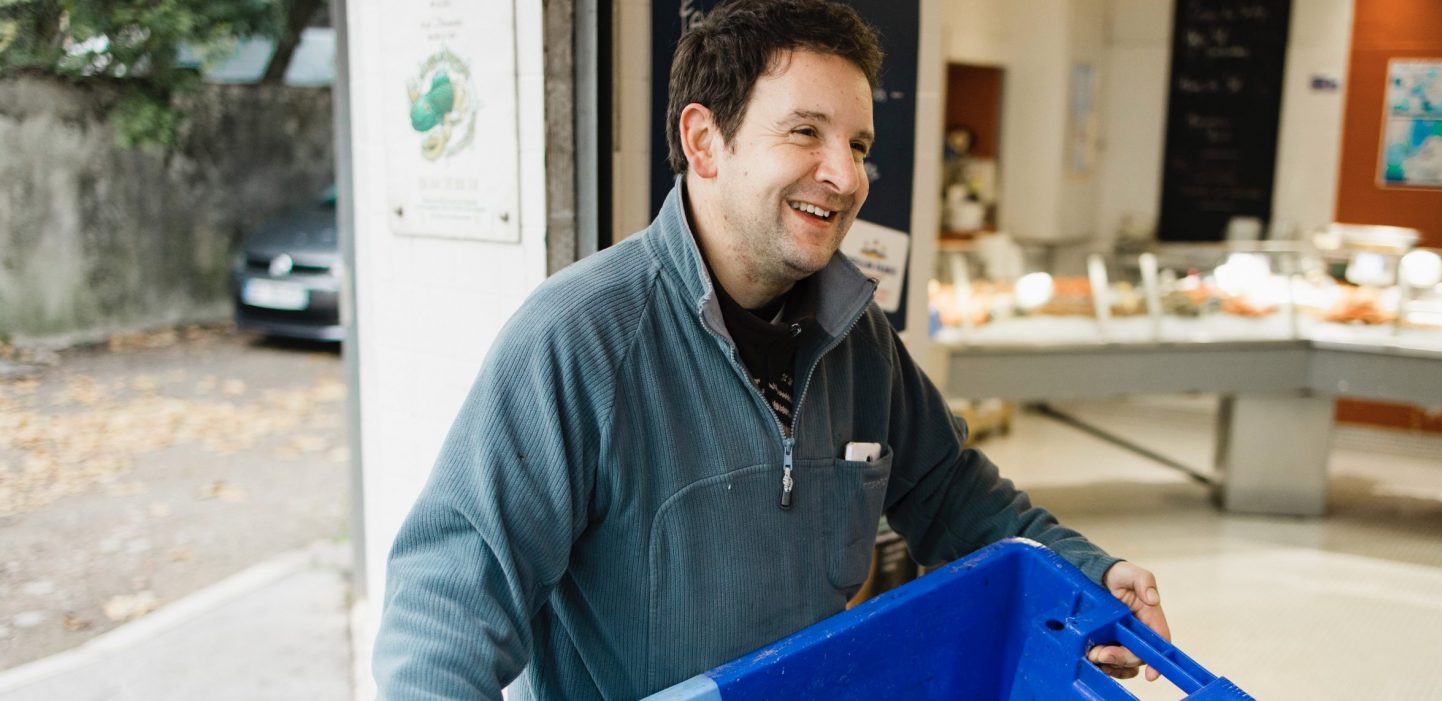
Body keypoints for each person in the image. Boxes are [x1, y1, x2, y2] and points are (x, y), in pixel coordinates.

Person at [372, 2, 1169, 698]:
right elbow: (445, 612)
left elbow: (957, 497)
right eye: (805, 133)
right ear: (704, 140)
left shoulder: (856, 335)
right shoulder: (577, 337)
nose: (845, 175)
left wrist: (1087, 573)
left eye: (857, 144)